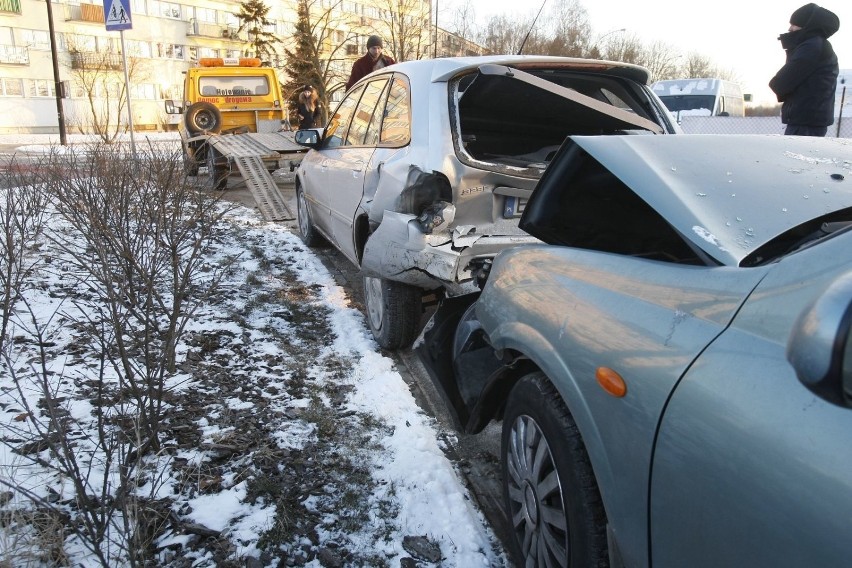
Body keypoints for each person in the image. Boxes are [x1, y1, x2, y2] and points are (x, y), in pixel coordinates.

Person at [769, 3, 840, 137]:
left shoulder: (811, 47)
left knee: (795, 156)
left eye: (794, 24)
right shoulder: (819, 46)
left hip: (805, 122)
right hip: (811, 120)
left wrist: (777, 85)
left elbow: (782, 83)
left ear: (806, 26)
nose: (790, 29)